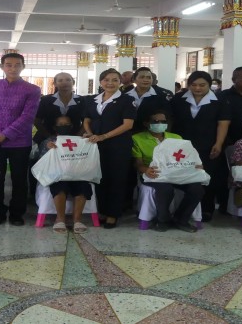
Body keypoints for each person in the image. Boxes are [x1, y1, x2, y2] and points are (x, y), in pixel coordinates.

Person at [0, 53, 41, 226]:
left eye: (17, 65)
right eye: (8, 65)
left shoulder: (32, 89)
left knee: (19, 179)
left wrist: (3, 135)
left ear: (23, 66)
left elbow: (27, 117)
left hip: (20, 142)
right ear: (2, 67)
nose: (13, 68)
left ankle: (16, 213)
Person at [171, 71, 231, 221]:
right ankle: (181, 209)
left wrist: (218, 143)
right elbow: (171, 122)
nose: (198, 88)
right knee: (182, 176)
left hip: (208, 145)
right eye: (194, 85)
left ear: (209, 85)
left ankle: (206, 209)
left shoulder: (219, 100)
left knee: (207, 177)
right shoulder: (178, 99)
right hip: (182, 146)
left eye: (202, 85)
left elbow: (223, 124)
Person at [133, 111, 205, 233]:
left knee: (197, 189)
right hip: (154, 174)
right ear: (146, 123)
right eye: (156, 121)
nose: (160, 124)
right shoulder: (137, 138)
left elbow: (188, 156)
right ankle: (163, 220)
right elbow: (137, 163)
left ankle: (181, 219)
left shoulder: (176, 138)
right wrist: (146, 170)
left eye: (163, 121)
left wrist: (197, 165)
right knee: (165, 189)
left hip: (177, 174)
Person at [83, 68, 136, 228]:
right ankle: (102, 210)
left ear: (120, 82)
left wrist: (103, 136)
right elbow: (86, 119)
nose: (110, 83)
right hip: (96, 145)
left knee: (116, 180)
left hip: (117, 146)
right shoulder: (92, 100)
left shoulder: (127, 100)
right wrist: (90, 134)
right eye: (107, 80)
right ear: (101, 82)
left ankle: (113, 214)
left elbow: (128, 125)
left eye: (115, 80)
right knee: (100, 178)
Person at [38, 115, 92, 234]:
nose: (64, 127)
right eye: (60, 125)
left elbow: (85, 158)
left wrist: (87, 142)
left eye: (66, 125)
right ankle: (60, 219)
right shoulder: (48, 141)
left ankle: (77, 220)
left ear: (72, 126)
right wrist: (48, 150)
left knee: (83, 186)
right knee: (59, 186)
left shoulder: (78, 140)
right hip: (57, 174)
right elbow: (42, 162)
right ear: (55, 127)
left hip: (76, 174)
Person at [34, 72, 84, 144]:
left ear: (73, 82)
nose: (64, 82)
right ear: (55, 84)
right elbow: (37, 120)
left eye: (68, 80)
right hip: (47, 139)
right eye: (60, 80)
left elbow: (86, 121)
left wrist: (77, 137)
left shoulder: (82, 100)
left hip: (74, 139)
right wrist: (49, 137)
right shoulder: (46, 100)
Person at [125, 67, 173, 131]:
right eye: (142, 77)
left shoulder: (163, 95)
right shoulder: (125, 94)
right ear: (134, 79)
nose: (146, 80)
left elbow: (169, 117)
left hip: (152, 132)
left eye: (149, 77)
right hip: (127, 131)